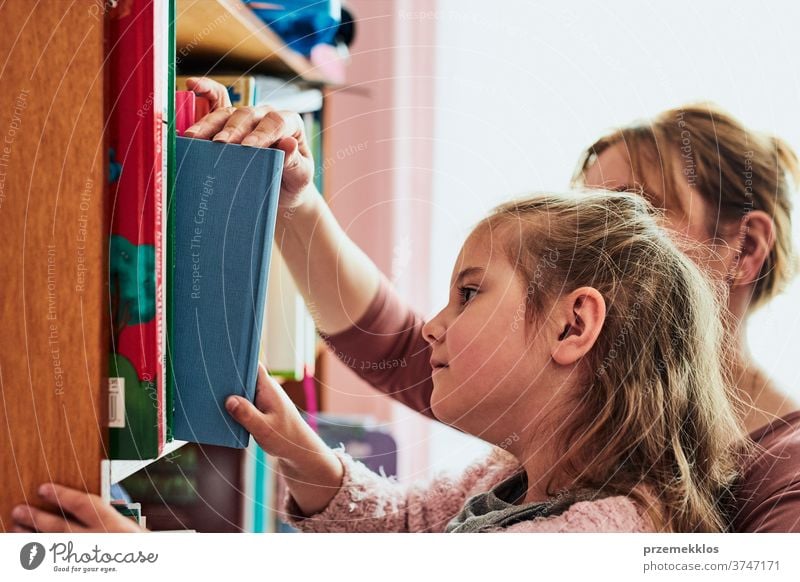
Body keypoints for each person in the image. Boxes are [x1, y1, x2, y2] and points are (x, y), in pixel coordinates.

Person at [11, 81, 799, 532]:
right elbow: (401, 365)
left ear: (747, 248)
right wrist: (292, 201)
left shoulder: (691, 497)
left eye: (629, 206)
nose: (602, 232)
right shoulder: (532, 458)